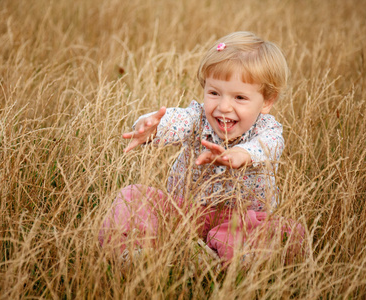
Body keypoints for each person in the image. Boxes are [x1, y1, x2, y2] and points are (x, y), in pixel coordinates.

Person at [99, 31, 304, 268]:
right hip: (184, 211)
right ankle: (135, 253)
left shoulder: (268, 130)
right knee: (133, 196)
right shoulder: (197, 118)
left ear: (267, 101)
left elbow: (268, 146)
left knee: (285, 233)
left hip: (239, 220)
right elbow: (175, 120)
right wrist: (150, 127)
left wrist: (240, 155)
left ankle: (214, 263)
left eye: (239, 97)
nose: (224, 106)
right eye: (214, 93)